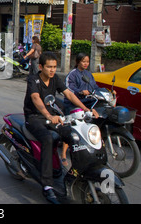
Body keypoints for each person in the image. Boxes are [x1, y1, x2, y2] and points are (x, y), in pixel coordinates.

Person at [23, 51, 99, 204]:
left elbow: (69, 95)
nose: (52, 70)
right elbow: (36, 98)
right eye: (49, 67)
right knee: (48, 139)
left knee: (73, 135)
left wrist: (87, 109)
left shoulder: (55, 78)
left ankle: (76, 172)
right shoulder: (33, 79)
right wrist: (49, 116)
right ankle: (47, 185)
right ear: (41, 67)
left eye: (54, 67)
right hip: (34, 118)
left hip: (52, 117)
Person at [61, 53, 109, 166]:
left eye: (87, 61)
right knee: (71, 127)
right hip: (73, 103)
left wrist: (106, 91)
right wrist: (80, 92)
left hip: (87, 103)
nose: (86, 63)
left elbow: (95, 87)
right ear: (78, 62)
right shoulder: (72, 75)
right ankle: (63, 154)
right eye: (83, 61)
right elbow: (68, 90)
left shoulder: (89, 74)